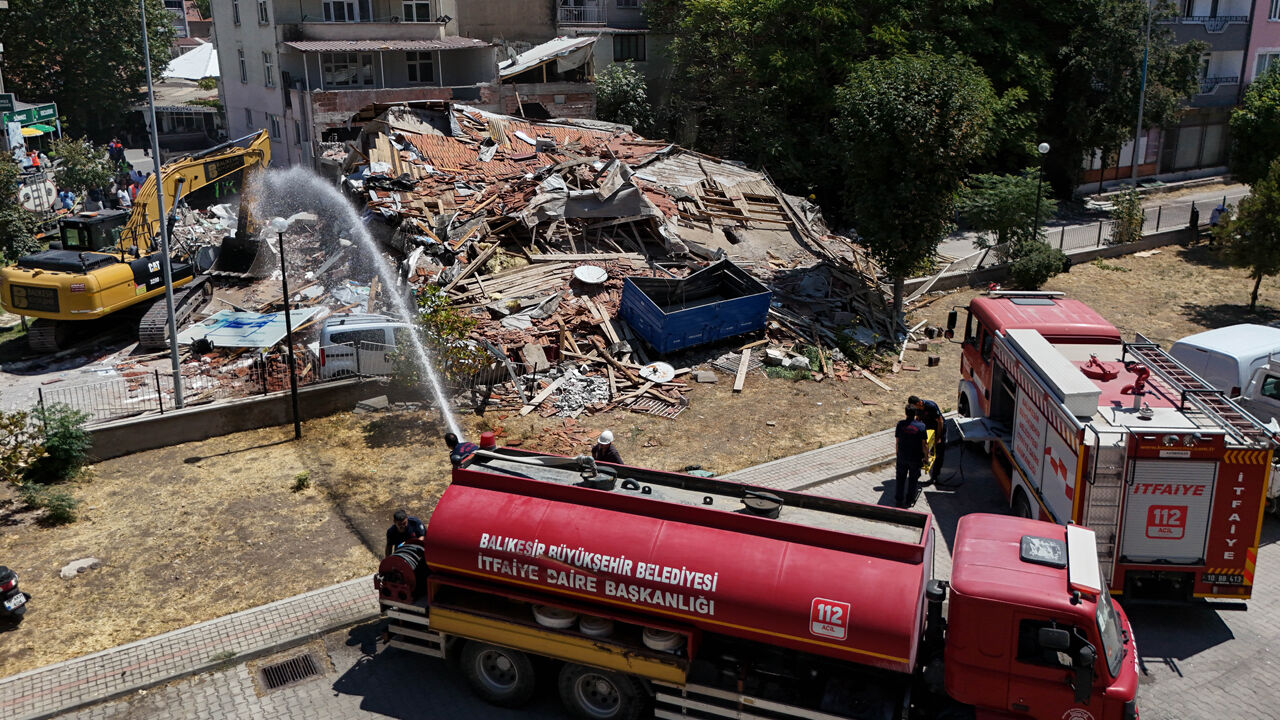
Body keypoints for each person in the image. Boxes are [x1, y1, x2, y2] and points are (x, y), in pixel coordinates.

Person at [894, 406, 927, 508]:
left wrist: (897, 455)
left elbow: (897, 442)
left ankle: (899, 500)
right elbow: (924, 445)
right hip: (915, 458)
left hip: (902, 456)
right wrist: (926, 458)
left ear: (905, 413)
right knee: (913, 479)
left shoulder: (900, 424)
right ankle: (909, 500)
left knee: (900, 478)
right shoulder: (921, 426)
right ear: (915, 414)